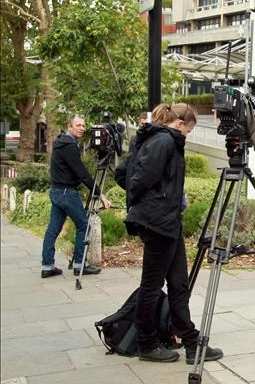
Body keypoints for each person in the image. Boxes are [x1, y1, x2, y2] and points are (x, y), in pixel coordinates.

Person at [114, 103, 223, 364]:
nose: (188, 135)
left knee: (178, 283)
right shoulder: (163, 141)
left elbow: (125, 173)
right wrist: (150, 202)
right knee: (152, 286)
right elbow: (136, 179)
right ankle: (146, 343)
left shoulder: (157, 138)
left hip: (167, 222)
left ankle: (190, 341)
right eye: (189, 130)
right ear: (181, 124)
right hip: (158, 222)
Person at [41, 115, 110, 279]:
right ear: (69, 126)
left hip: (56, 191)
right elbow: (82, 174)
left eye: (83, 125)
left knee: (53, 229)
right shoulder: (69, 146)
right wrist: (101, 195)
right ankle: (80, 264)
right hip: (66, 193)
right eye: (78, 125)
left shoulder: (61, 142)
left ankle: (47, 266)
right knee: (84, 225)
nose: (82, 128)